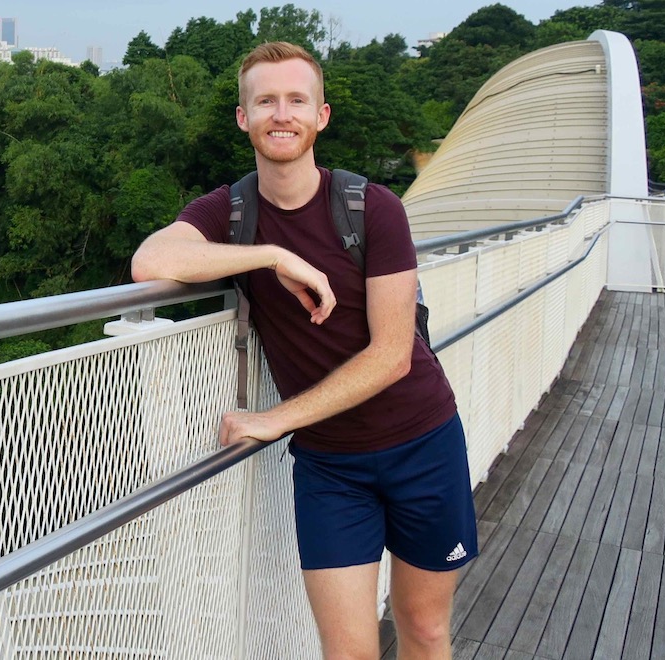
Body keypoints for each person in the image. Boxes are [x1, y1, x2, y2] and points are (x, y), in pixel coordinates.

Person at [131, 42, 476, 660]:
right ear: (243, 118)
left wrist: (275, 420)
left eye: (297, 100)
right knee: (347, 652)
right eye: (265, 100)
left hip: (422, 441)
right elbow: (150, 261)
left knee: (422, 629)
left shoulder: (373, 209)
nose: (280, 114)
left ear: (321, 116)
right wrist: (271, 255)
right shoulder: (231, 211)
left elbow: (393, 354)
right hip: (332, 468)